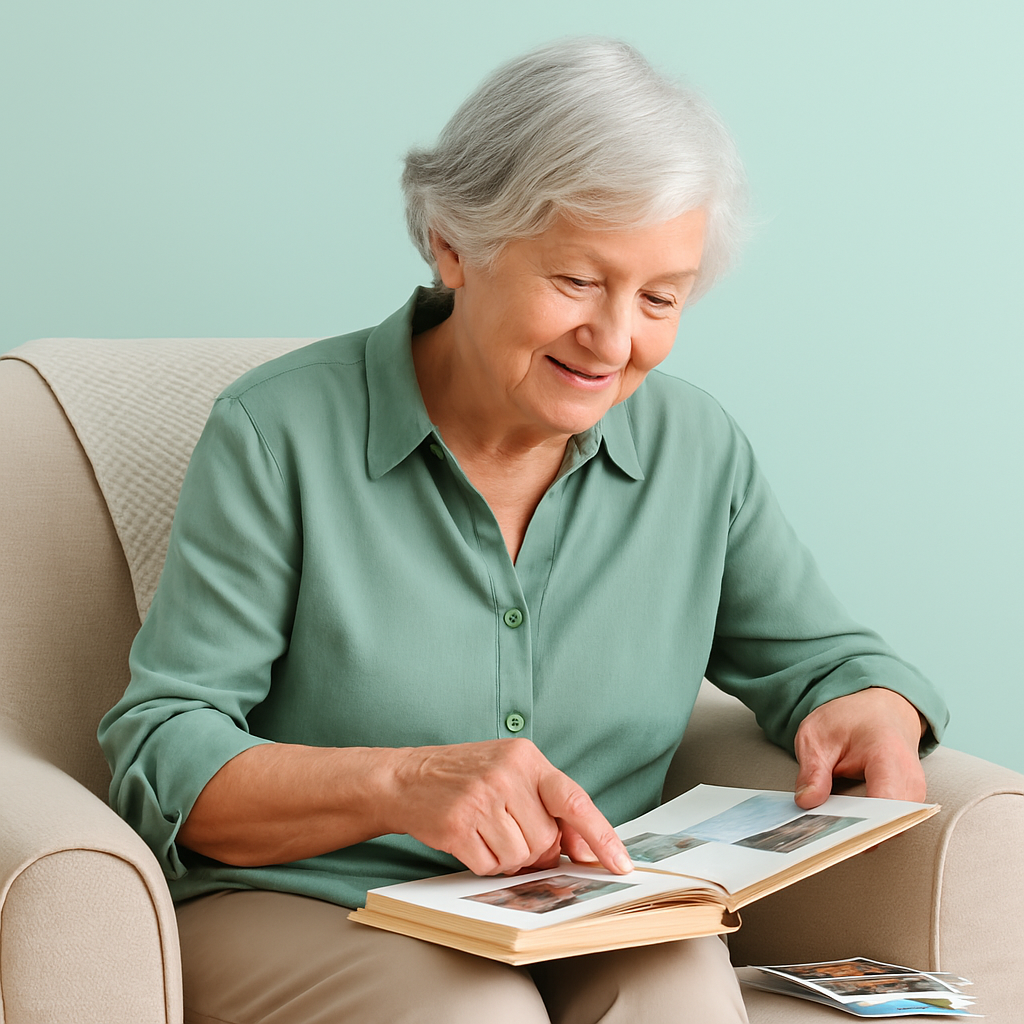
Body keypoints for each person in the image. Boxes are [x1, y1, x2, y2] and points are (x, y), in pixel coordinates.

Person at [99, 37, 948, 1024]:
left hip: (587, 907)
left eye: (660, 297)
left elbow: (826, 659)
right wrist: (404, 783)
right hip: (313, 900)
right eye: (578, 281)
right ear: (454, 243)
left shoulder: (694, 447)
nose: (615, 339)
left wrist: (871, 703)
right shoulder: (275, 433)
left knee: (681, 996)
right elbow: (163, 748)